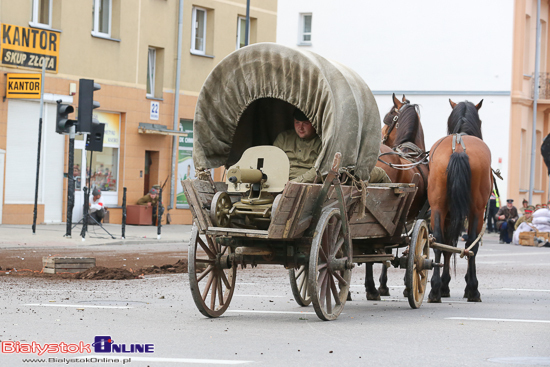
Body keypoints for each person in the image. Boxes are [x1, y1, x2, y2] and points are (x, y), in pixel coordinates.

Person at [273, 108, 322, 183]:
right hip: (280, 183)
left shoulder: (322, 142)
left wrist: (294, 183)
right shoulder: (284, 138)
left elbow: (319, 171)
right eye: (297, 122)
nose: (301, 128)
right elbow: (272, 162)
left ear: (314, 123)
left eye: (306, 123)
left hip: (308, 185)